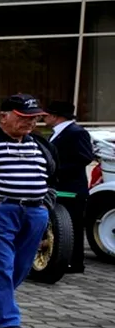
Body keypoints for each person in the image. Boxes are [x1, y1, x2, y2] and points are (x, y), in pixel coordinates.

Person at [0, 94, 56, 328]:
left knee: (21, 266)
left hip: (35, 212)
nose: (30, 123)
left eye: (34, 118)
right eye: (23, 117)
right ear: (3, 117)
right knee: (2, 265)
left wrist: (45, 204)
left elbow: (52, 178)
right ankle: (7, 320)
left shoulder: (42, 145)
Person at [44, 100, 93, 274]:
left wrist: (57, 171)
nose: (44, 118)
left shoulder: (76, 132)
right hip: (59, 187)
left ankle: (75, 262)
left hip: (71, 188)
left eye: (46, 114)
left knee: (73, 226)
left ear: (55, 116)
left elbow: (84, 157)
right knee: (61, 226)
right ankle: (62, 259)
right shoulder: (57, 133)